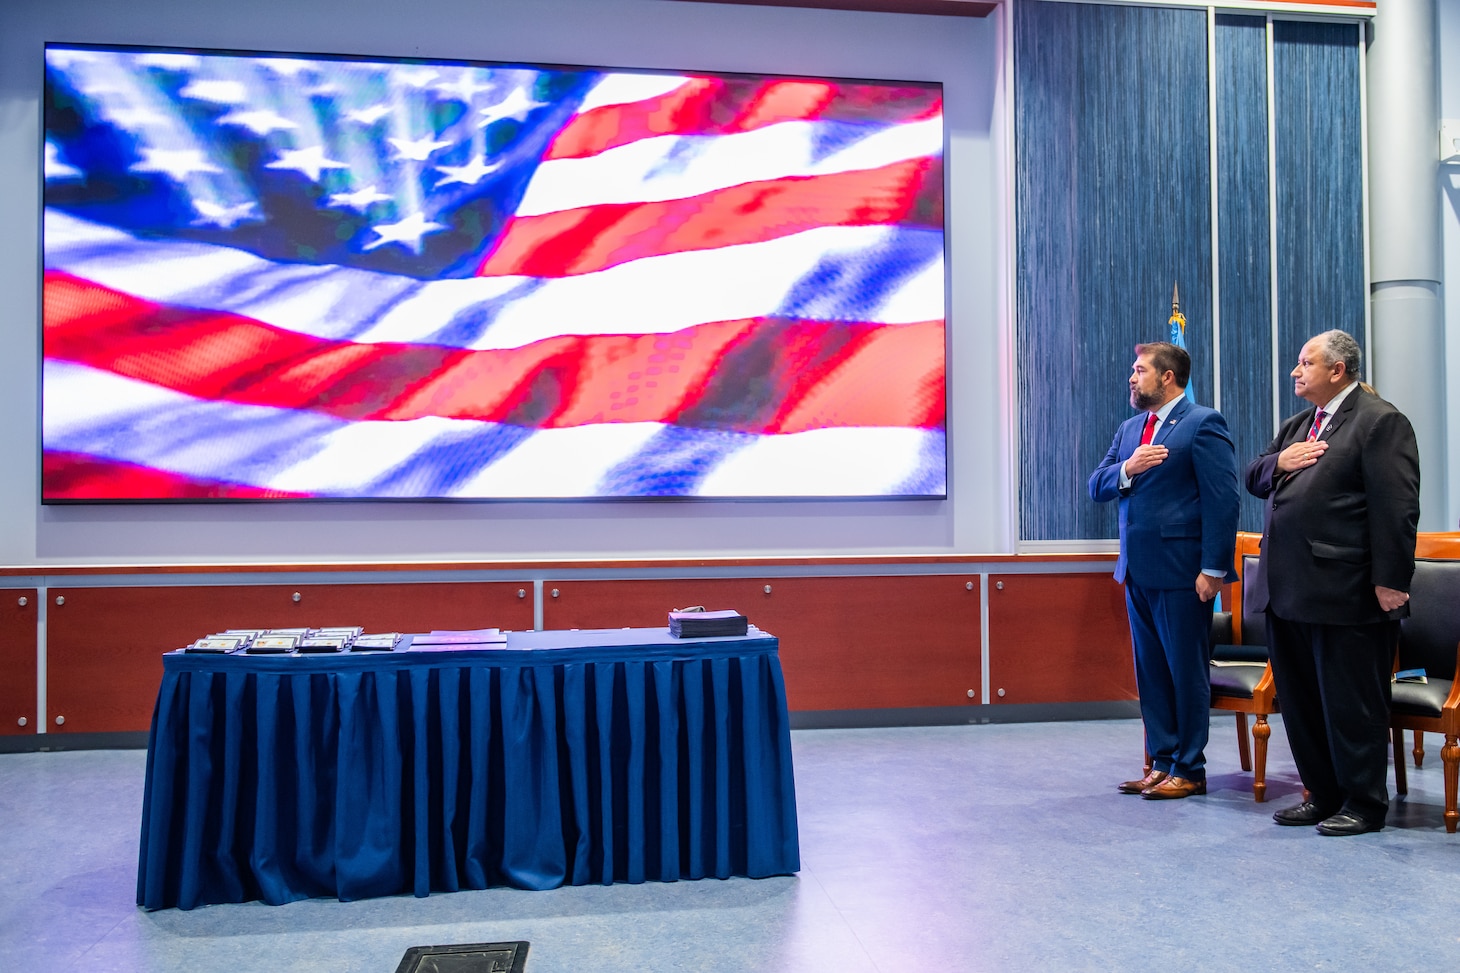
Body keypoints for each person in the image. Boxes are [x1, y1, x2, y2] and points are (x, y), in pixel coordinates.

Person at [1244, 329, 1420, 836]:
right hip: (1287, 591)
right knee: (1301, 704)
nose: (1295, 372)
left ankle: (1363, 804)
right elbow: (1254, 475)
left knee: (1351, 704)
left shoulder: (1379, 422)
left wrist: (1391, 580)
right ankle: (1322, 795)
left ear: (1337, 370)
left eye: (1305, 364)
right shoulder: (1300, 425)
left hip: (1346, 591)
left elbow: (1397, 506)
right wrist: (1281, 460)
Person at [1090, 342, 1240, 799]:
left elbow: (1224, 500)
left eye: (1139, 371)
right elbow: (1097, 485)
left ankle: (1190, 769)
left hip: (1183, 574)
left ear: (1168, 377)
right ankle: (1161, 762)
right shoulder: (1131, 428)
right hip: (1136, 571)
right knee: (1151, 673)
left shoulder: (1202, 423)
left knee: (1184, 673)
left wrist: (1213, 568)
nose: (1132, 379)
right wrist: (1127, 468)